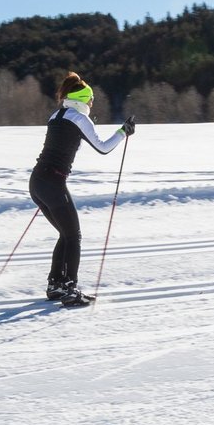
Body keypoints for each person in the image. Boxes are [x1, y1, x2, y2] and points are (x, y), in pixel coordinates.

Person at [28, 72, 134, 307]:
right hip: (53, 183)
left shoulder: (56, 115)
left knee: (65, 234)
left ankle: (55, 285)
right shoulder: (80, 119)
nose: (92, 104)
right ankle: (69, 289)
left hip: (37, 182)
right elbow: (103, 148)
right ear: (83, 98)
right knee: (73, 236)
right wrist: (123, 132)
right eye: (91, 99)